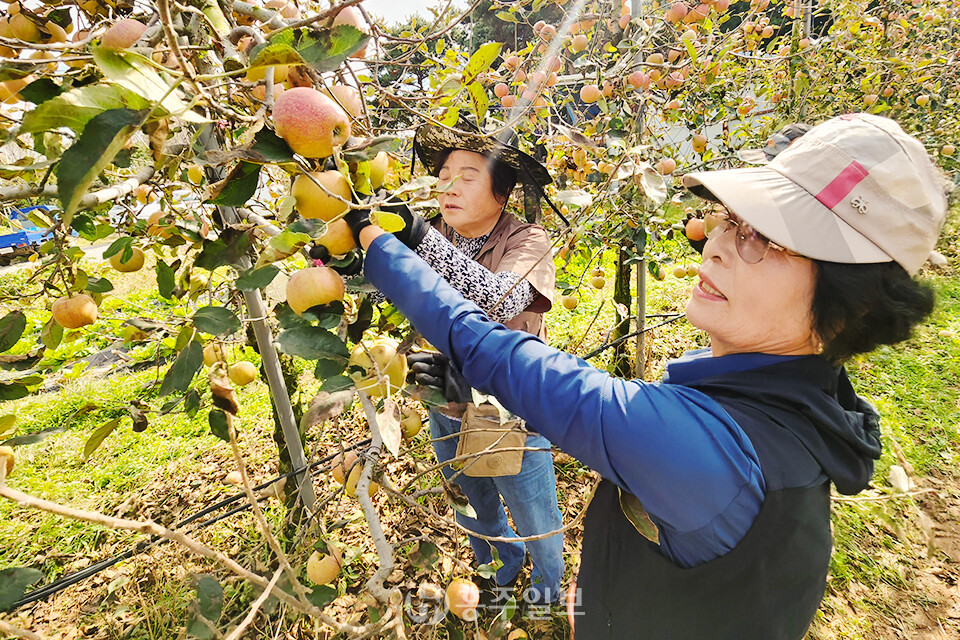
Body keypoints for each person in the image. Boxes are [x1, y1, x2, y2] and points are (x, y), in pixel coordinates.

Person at [347, 113, 948, 638]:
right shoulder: (802, 405)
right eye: (728, 221)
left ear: (850, 305)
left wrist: (381, 244)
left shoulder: (706, 449)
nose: (713, 246)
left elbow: (495, 349)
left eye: (765, 239)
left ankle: (543, 594)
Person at [350, 122, 565, 605]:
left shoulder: (528, 240)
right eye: (444, 173)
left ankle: (546, 590)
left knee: (534, 514)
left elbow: (499, 298)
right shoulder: (432, 233)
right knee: (471, 502)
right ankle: (499, 573)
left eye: (468, 175)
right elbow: (379, 279)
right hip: (442, 392)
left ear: (502, 191)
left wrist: (415, 237)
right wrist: (346, 249)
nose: (449, 185)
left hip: (511, 401)